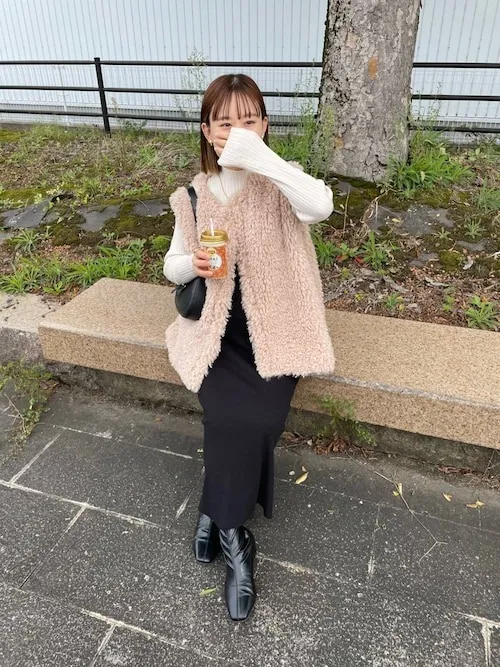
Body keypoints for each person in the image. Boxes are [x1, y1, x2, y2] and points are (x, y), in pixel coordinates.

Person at [163, 73, 335, 622]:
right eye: (224, 121)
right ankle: (237, 538)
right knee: (225, 418)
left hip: (276, 331)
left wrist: (259, 157)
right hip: (214, 333)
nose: (236, 129)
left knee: (259, 420)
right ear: (206, 130)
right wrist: (193, 263)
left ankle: (213, 512)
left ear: (264, 124)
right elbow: (171, 266)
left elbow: (322, 205)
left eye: (249, 118)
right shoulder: (193, 195)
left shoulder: (281, 182)